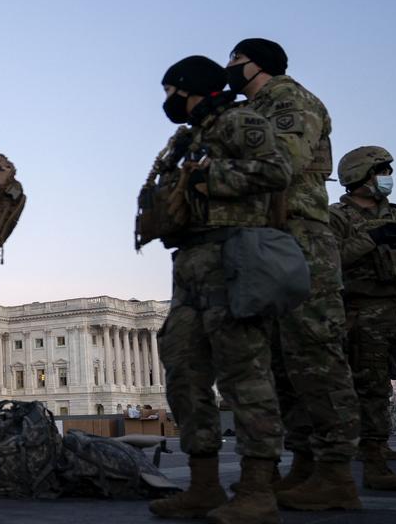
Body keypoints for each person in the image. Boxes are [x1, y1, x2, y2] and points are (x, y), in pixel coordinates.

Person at [147, 56, 290, 524]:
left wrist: (212, 179)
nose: (167, 100)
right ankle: (204, 483)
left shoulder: (240, 121)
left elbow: (275, 171)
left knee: (243, 374)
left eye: (171, 91)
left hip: (233, 256)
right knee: (183, 371)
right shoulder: (185, 137)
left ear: (192, 88)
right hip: (189, 263)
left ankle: (256, 488)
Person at [225, 38, 361, 510]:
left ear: (255, 64)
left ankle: (337, 471)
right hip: (267, 238)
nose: (229, 68)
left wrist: (216, 173)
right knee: (283, 361)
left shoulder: (290, 100)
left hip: (300, 236)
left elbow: (282, 163)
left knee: (315, 355)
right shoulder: (254, 106)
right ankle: (305, 461)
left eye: (236, 61)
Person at [328, 146, 396, 492]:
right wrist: (371, 239)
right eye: (379, 172)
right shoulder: (337, 217)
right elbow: (328, 262)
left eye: (387, 171)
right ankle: (374, 461)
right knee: (370, 388)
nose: (385, 178)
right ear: (358, 177)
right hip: (367, 311)